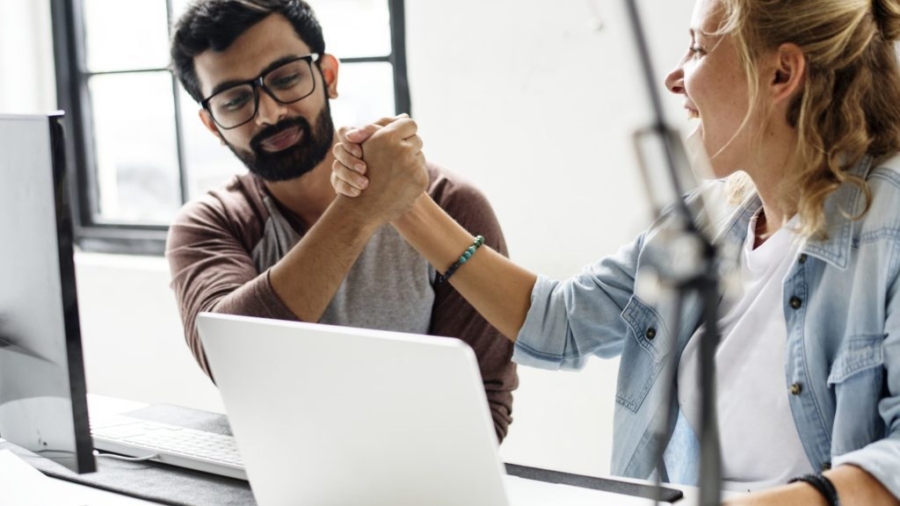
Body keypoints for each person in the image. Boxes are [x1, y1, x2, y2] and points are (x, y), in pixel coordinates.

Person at [331, 0, 900, 503]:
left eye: (699, 49)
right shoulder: (709, 218)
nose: (676, 77)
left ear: (782, 73)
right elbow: (559, 322)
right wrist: (405, 203)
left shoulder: (889, 225)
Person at [165, 0, 517, 441]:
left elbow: (483, 403)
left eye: (286, 78)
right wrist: (361, 206)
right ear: (212, 124)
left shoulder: (448, 204)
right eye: (235, 100)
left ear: (327, 76)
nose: (269, 113)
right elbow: (230, 358)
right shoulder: (211, 224)